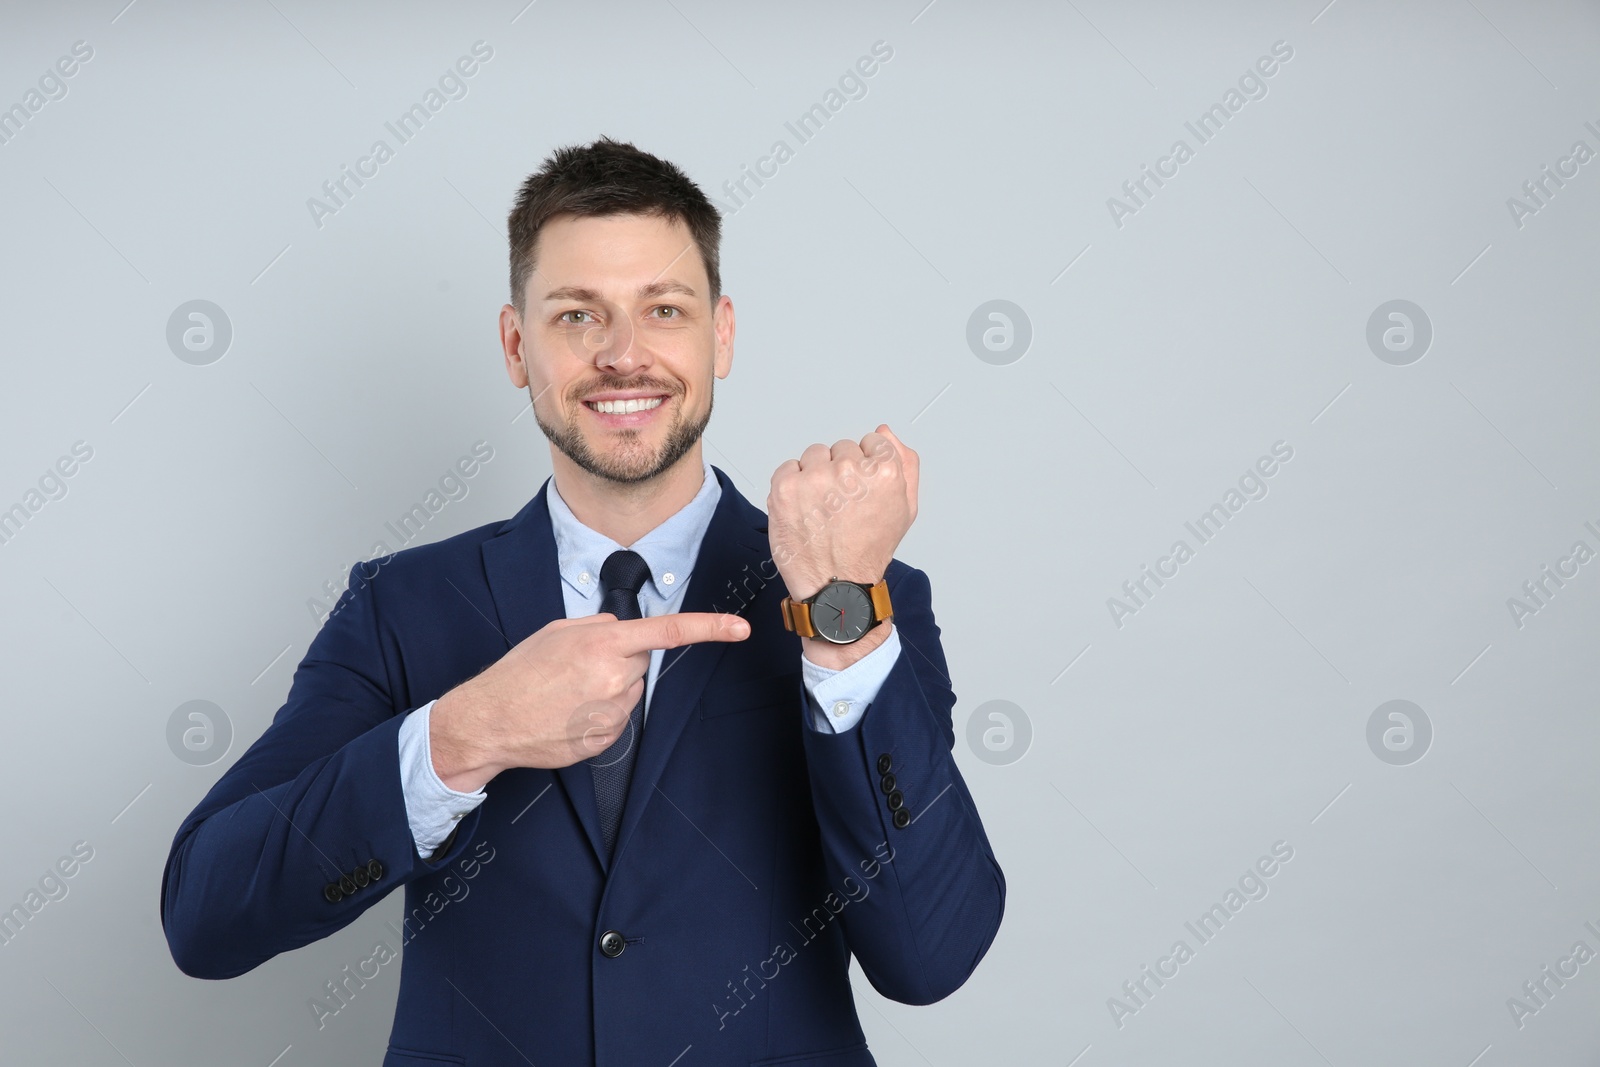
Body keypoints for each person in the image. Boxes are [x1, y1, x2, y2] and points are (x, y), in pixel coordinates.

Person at [161, 136, 1004, 1066]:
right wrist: (464, 734)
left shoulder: (869, 597)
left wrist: (839, 611)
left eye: (664, 309)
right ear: (518, 346)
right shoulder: (401, 605)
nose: (624, 355)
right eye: (576, 316)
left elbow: (931, 952)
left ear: (720, 334)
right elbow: (206, 915)